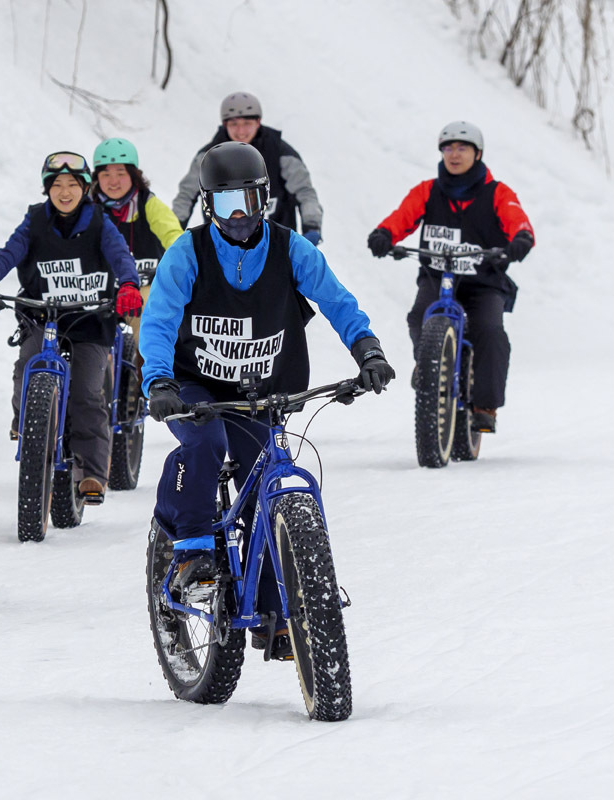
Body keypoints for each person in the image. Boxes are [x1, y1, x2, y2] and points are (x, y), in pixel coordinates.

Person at [140, 141, 394, 658]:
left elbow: (337, 302)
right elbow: (160, 320)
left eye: (247, 203)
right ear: (209, 206)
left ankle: (274, 608)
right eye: (226, 204)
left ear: (264, 200)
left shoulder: (291, 249)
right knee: (205, 444)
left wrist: (367, 351)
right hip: (197, 388)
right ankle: (189, 551)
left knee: (265, 479)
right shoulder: (187, 253)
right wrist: (160, 381)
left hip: (266, 389)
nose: (239, 216)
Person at [0, 151, 143, 504]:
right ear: (47, 189)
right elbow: (10, 252)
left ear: (85, 188)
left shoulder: (98, 221)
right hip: (44, 314)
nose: (64, 192)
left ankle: (93, 473)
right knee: (27, 365)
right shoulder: (35, 220)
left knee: (86, 393)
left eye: (72, 185)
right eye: (57, 185)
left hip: (89, 318)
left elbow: (120, 256)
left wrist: (127, 284)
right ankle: (29, 422)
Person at [366, 120, 535, 433]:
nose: (454, 154)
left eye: (462, 148)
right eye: (448, 148)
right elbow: (402, 217)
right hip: (437, 276)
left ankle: (485, 406)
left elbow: (517, 220)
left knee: (489, 330)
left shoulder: (498, 192)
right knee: (419, 316)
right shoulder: (428, 190)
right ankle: (429, 364)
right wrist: (384, 234)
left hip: (483, 281)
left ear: (477, 153)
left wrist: (520, 239)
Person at [171, 91, 323, 243]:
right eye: (234, 124)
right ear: (225, 125)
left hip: (276, 244)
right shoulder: (209, 158)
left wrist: (311, 226)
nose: (241, 131)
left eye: (247, 124)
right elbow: (186, 194)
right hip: (222, 247)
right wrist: (174, 229)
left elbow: (305, 192)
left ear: (258, 122)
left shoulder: (282, 155)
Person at [90, 137, 183, 363]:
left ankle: (147, 384)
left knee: (148, 324)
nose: (113, 181)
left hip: (143, 284)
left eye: (120, 173)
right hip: (100, 287)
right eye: (106, 174)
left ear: (134, 175)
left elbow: (173, 236)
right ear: (96, 178)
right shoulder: (88, 207)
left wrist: (183, 262)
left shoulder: (148, 204)